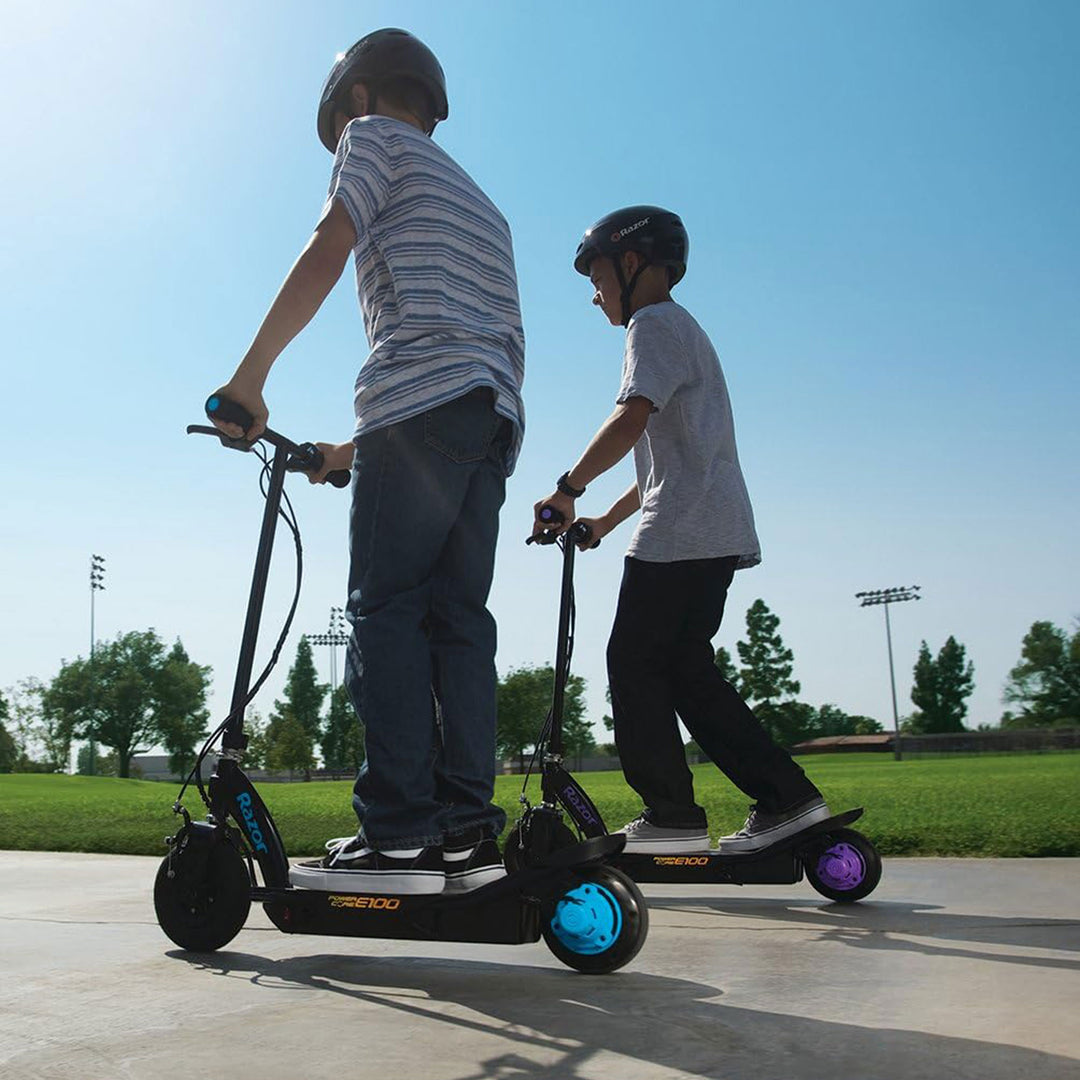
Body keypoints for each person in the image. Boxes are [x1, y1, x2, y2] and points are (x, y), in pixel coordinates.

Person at [210, 29, 525, 894]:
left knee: (383, 611)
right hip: (489, 422)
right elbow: (462, 351)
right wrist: (349, 452)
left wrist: (249, 380)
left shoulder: (372, 139)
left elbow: (329, 243)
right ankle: (464, 830)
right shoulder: (482, 202)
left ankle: (396, 836)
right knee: (459, 624)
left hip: (418, 406)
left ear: (356, 95)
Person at [531, 205, 828, 854]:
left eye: (600, 276)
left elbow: (630, 418)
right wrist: (605, 521)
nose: (595, 293)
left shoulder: (653, 324)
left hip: (681, 533)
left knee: (633, 662)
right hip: (708, 528)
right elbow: (671, 458)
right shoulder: (682, 329)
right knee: (686, 672)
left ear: (633, 265)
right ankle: (787, 798)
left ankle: (670, 816)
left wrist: (566, 490)